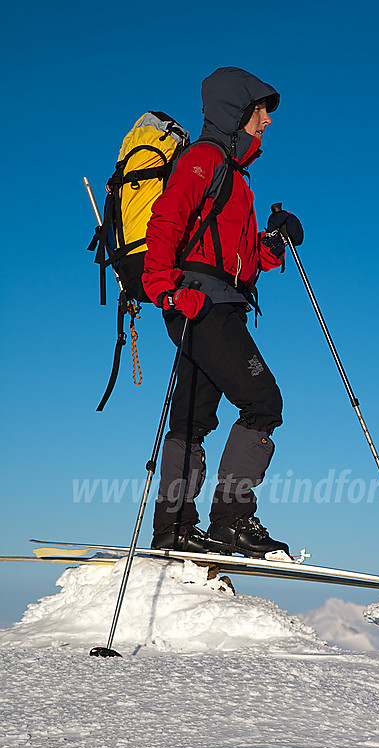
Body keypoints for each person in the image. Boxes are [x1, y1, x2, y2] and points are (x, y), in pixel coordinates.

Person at [142, 67, 303, 558]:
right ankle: (231, 520)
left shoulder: (236, 177)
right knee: (262, 401)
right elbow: (166, 220)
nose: (268, 122)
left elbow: (240, 260)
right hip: (200, 303)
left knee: (190, 417)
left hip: (216, 300)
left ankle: (174, 527)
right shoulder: (204, 159)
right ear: (237, 111)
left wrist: (273, 243)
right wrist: (163, 289)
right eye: (261, 111)